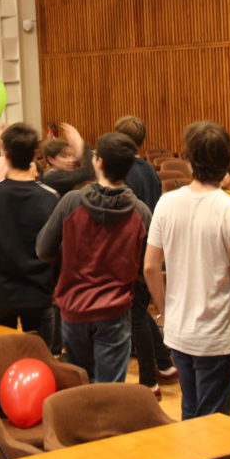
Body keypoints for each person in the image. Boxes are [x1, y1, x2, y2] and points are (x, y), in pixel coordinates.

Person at [143, 122, 230, 418]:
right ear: (229, 160)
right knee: (214, 424)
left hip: (179, 332)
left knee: (191, 415)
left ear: (187, 158)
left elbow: (150, 267)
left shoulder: (166, 203)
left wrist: (166, 311)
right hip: (217, 335)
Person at [37, 132, 152, 384]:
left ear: (99, 162)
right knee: (109, 388)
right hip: (115, 309)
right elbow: (146, 267)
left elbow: (44, 250)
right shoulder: (141, 212)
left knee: (80, 384)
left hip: (74, 307)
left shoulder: (71, 202)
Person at [0, 123, 59, 345]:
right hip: (39, 292)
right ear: (35, 155)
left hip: (0, 294)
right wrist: (58, 286)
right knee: (41, 358)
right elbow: (59, 247)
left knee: (1, 357)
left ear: (6, 156)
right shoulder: (50, 197)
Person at [113, 114, 175, 396]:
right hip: (150, 244)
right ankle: (165, 365)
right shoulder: (149, 169)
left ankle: (149, 381)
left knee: (135, 314)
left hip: (132, 248)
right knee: (138, 309)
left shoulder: (123, 171)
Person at [41, 123, 95, 197]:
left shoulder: (67, 171)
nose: (71, 160)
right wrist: (81, 146)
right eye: (64, 156)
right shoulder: (50, 177)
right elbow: (85, 173)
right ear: (51, 159)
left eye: (72, 155)